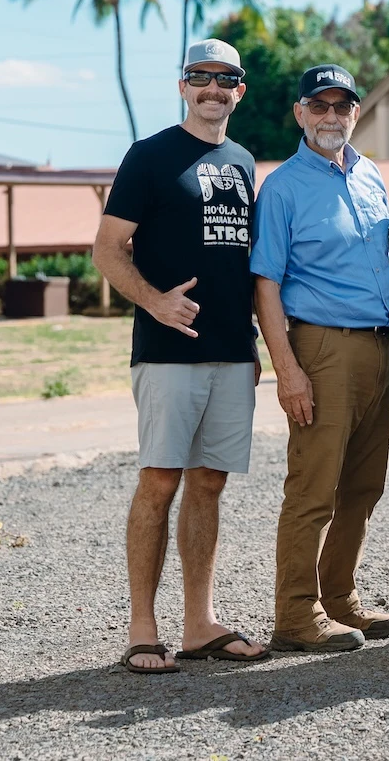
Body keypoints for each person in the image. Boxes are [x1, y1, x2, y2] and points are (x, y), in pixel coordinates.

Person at [94, 38, 269, 673]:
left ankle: (199, 622)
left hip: (230, 350)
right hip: (168, 351)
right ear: (183, 86)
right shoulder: (149, 156)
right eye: (202, 78)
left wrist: (251, 341)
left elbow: (242, 265)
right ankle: (143, 626)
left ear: (239, 92)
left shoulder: (246, 162)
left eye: (227, 80)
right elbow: (109, 249)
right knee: (160, 480)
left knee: (210, 484)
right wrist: (154, 302)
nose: (214, 90)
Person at [253, 63, 389, 653]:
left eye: (342, 107)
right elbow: (264, 283)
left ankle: (339, 598)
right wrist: (286, 370)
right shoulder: (283, 187)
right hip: (321, 346)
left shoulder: (371, 177)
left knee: (364, 485)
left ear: (356, 113)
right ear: (300, 113)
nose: (331, 117)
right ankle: (294, 611)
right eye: (320, 106)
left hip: (376, 346)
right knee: (314, 485)